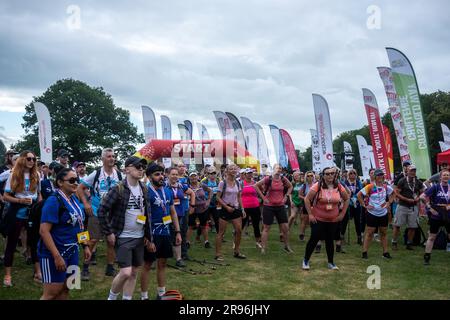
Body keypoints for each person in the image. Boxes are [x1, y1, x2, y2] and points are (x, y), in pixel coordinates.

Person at [97, 156, 154, 300]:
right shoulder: (118, 188)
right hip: (123, 236)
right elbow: (102, 210)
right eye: (137, 167)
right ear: (127, 169)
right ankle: (111, 298)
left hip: (139, 236)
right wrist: (108, 232)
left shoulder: (144, 189)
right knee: (126, 272)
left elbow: (147, 214)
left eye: (142, 167)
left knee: (134, 271)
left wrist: (148, 236)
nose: (141, 170)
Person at [38, 168, 91, 299]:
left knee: (67, 288)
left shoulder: (74, 200)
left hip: (73, 251)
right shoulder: (53, 201)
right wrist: (56, 257)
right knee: (52, 293)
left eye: (77, 180)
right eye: (72, 180)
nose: (76, 183)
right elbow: (44, 231)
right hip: (54, 254)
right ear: (60, 182)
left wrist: (85, 246)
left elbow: (80, 224)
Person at [77, 148, 123, 280]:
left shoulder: (119, 175)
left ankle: (110, 267)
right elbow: (80, 188)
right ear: (102, 159)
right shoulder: (96, 173)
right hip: (97, 211)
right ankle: (85, 268)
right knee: (92, 240)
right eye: (109, 156)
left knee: (112, 241)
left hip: (112, 213)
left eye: (113, 156)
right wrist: (86, 203)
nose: (112, 159)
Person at [140, 163, 182, 300]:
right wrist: (146, 237)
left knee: (162, 263)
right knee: (147, 264)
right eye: (157, 174)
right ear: (149, 177)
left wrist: (177, 231)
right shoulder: (145, 192)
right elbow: (141, 216)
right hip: (152, 233)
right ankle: (144, 296)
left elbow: (173, 212)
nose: (161, 176)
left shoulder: (167, 191)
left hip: (165, 232)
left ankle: (161, 293)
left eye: (162, 173)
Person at [2, 150, 42, 286]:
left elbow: (39, 194)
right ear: (22, 159)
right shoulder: (13, 174)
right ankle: (8, 275)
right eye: (29, 159)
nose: (32, 161)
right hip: (17, 212)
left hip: (32, 213)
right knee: (12, 243)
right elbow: (6, 196)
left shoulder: (36, 174)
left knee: (34, 242)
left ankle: (37, 272)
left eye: (34, 159)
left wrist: (40, 206)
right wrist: (20, 201)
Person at [302, 167, 350, 270]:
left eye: (332, 173)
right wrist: (310, 214)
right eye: (327, 174)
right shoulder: (317, 186)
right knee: (314, 239)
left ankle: (331, 263)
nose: (330, 176)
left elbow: (346, 199)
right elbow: (307, 199)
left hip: (333, 220)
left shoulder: (339, 186)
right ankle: (306, 261)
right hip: (318, 219)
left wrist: (342, 214)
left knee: (330, 240)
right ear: (323, 175)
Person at [255, 163, 293, 254]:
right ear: (273, 168)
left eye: (280, 168)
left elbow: (290, 186)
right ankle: (263, 248)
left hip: (280, 206)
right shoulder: (268, 179)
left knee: (285, 227)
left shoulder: (283, 179)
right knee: (266, 228)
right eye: (277, 168)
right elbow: (256, 185)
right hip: (269, 206)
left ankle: (287, 246)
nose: (279, 170)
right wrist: (263, 198)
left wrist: (286, 196)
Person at [357, 169, 395, 259]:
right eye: (378, 175)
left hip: (383, 213)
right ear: (375, 177)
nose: (380, 177)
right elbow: (359, 195)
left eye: (381, 175)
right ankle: (364, 252)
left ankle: (385, 253)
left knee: (383, 233)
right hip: (372, 213)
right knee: (369, 233)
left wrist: (389, 203)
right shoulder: (370, 186)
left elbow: (393, 193)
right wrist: (364, 205)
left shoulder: (386, 187)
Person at [214, 164, 247, 261]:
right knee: (221, 232)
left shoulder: (238, 183)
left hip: (236, 209)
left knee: (239, 230)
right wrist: (226, 207)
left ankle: (237, 252)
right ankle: (218, 254)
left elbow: (239, 197)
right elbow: (217, 197)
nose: (233, 170)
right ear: (227, 171)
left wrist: (242, 209)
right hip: (225, 208)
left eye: (234, 169)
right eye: (231, 169)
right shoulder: (222, 183)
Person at [166, 167, 195, 267]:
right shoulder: (164, 186)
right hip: (167, 215)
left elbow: (192, 193)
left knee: (180, 233)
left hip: (180, 214)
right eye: (172, 174)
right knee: (167, 234)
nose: (174, 176)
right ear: (167, 175)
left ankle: (180, 256)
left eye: (176, 174)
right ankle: (165, 255)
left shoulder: (181, 185)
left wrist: (192, 205)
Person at [391, 164, 425, 250]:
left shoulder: (418, 182)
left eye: (414, 171)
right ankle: (394, 242)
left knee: (412, 226)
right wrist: (406, 199)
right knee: (397, 225)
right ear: (407, 172)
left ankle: (409, 243)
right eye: (411, 171)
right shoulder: (402, 181)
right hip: (402, 206)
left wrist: (418, 198)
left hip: (413, 207)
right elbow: (397, 193)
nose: (413, 172)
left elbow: (422, 192)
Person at [421, 169, 450, 264]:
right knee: (432, 236)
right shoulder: (436, 187)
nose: (446, 176)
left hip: (448, 214)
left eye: (447, 175)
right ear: (440, 177)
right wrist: (430, 208)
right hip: (436, 214)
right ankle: (427, 257)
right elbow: (422, 196)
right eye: (444, 175)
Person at [186, 171, 212, 249]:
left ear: (198, 177)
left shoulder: (202, 185)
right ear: (189, 178)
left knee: (203, 226)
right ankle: (187, 242)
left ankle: (206, 242)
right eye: (192, 176)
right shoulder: (187, 186)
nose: (193, 178)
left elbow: (210, 191)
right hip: (192, 209)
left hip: (203, 209)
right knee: (190, 226)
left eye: (195, 176)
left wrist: (208, 200)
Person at [241, 168, 262, 248]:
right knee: (241, 225)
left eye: (251, 173)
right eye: (248, 173)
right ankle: (235, 242)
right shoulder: (241, 183)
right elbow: (238, 194)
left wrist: (260, 198)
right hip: (245, 207)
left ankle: (258, 242)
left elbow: (261, 191)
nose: (250, 174)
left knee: (256, 225)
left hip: (255, 206)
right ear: (245, 174)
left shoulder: (255, 183)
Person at [344, 169, 364, 244]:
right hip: (347, 204)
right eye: (351, 173)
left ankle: (359, 237)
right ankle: (342, 236)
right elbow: (343, 192)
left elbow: (361, 192)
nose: (352, 174)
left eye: (354, 173)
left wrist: (355, 197)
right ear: (348, 175)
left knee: (358, 221)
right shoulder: (345, 183)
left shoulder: (359, 183)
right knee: (345, 220)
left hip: (357, 204)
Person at [202, 166, 221, 234]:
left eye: (214, 173)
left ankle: (220, 235)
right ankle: (199, 235)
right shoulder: (204, 182)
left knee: (217, 219)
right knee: (204, 219)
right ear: (208, 174)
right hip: (207, 203)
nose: (212, 175)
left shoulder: (219, 181)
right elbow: (201, 193)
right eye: (211, 173)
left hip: (216, 203)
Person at [298, 171, 315, 241]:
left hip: (314, 204)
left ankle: (315, 235)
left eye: (311, 175)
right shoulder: (304, 186)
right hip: (306, 204)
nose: (310, 177)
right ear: (306, 177)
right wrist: (305, 198)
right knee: (304, 220)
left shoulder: (316, 185)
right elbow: (299, 195)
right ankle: (301, 234)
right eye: (308, 176)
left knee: (314, 220)